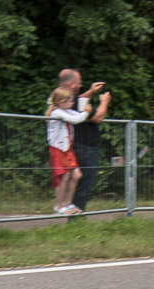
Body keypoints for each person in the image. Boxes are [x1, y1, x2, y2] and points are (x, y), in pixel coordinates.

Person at [57, 69, 110, 212]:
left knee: (76, 181)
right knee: (83, 184)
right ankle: (76, 218)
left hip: (76, 146)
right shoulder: (69, 101)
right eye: (79, 83)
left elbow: (78, 101)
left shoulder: (61, 99)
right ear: (71, 84)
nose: (80, 86)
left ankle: (73, 213)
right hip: (85, 146)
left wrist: (91, 91)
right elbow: (98, 118)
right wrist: (104, 102)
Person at [45, 86, 92, 214]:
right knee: (64, 177)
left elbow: (77, 115)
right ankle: (59, 206)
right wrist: (86, 113)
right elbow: (76, 119)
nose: (72, 103)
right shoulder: (56, 112)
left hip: (67, 148)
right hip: (58, 148)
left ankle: (68, 203)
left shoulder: (65, 111)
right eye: (70, 101)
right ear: (61, 102)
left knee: (77, 175)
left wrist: (85, 112)